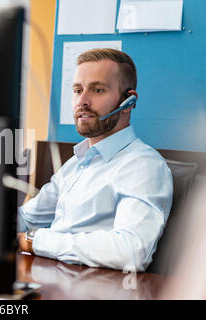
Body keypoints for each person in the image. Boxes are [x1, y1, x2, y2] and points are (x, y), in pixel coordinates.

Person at [18, 48, 173, 272]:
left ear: (128, 102)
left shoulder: (143, 165)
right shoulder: (75, 164)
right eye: (77, 90)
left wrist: (36, 240)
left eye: (97, 90)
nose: (82, 101)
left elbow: (131, 251)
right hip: (53, 281)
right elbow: (28, 217)